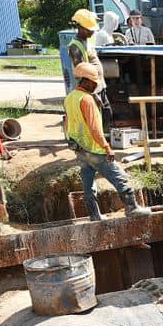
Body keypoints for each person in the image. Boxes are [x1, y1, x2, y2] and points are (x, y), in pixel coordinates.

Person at [64, 63, 152, 222]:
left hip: (79, 148)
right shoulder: (87, 100)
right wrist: (106, 147)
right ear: (87, 81)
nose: (96, 85)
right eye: (94, 82)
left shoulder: (70, 98)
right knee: (120, 177)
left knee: (88, 183)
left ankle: (94, 215)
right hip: (95, 149)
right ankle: (132, 208)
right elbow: (95, 129)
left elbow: (67, 123)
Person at [68, 9, 111, 126]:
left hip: (98, 85)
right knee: (95, 119)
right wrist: (93, 94)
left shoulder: (87, 40)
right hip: (91, 89)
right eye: (90, 30)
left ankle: (102, 140)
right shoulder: (75, 46)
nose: (92, 32)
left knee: (106, 115)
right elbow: (82, 72)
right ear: (81, 28)